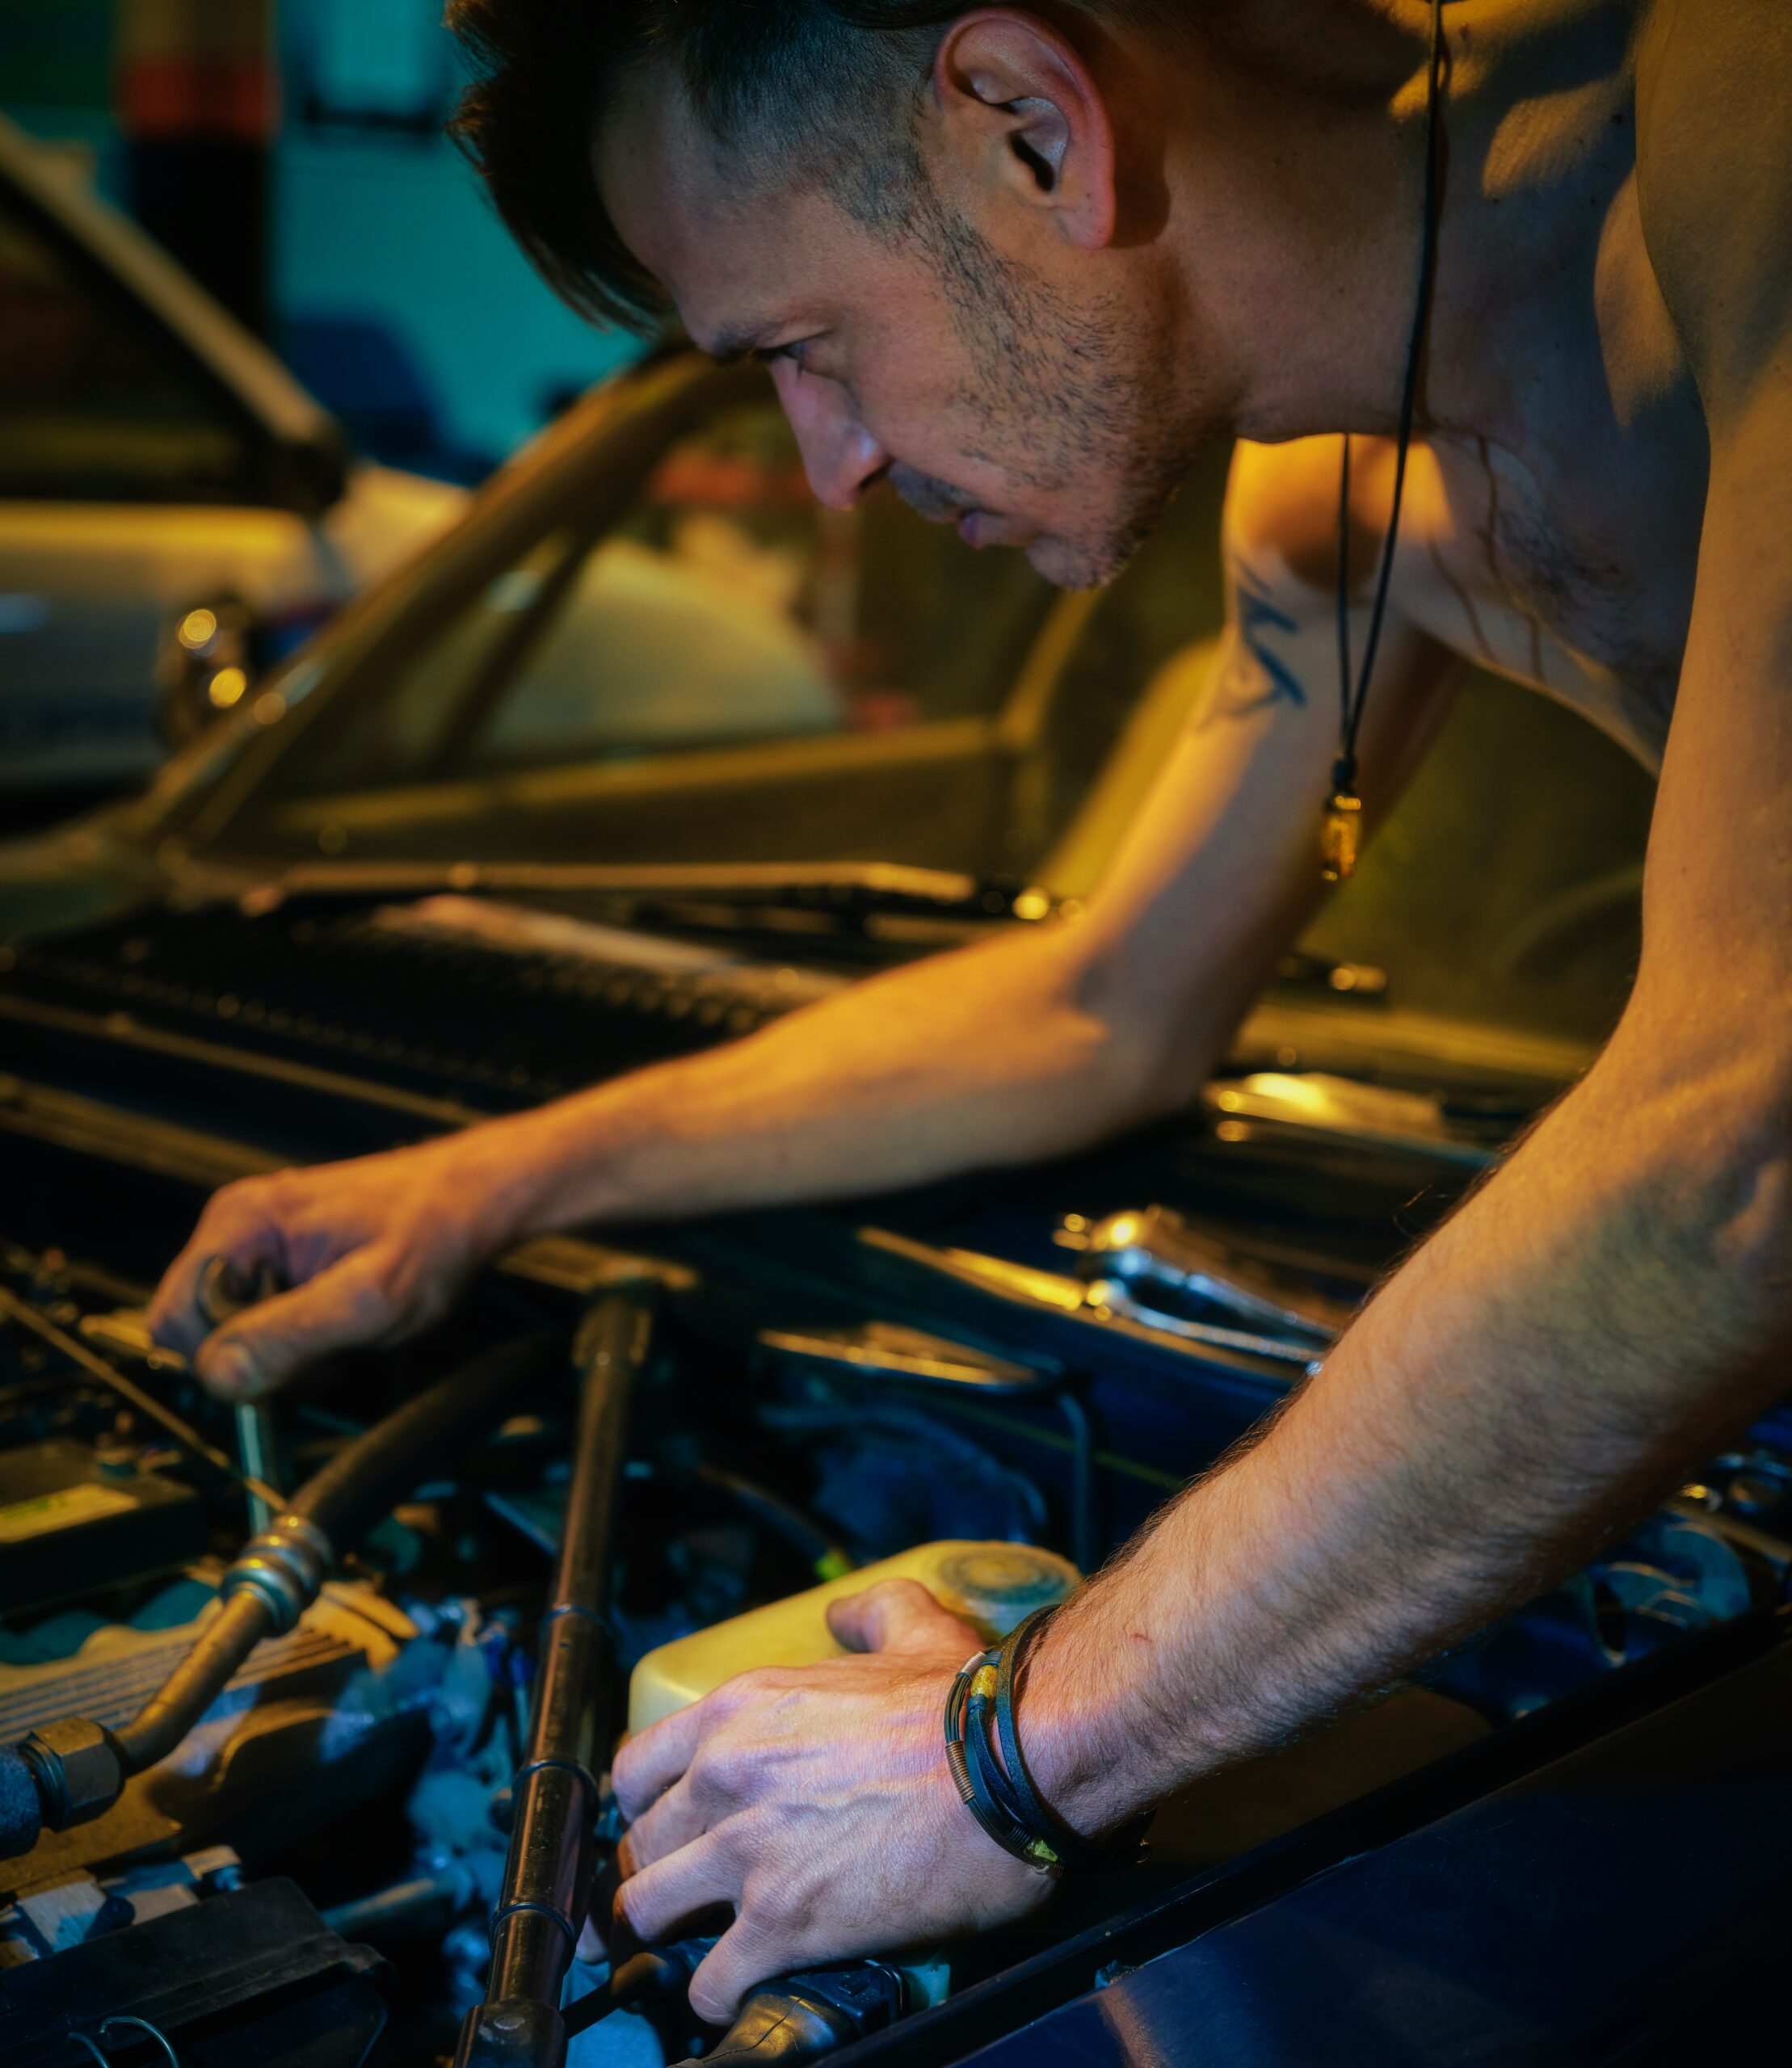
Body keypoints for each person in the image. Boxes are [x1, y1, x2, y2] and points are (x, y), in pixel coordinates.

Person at [148, 0, 1791, 2026]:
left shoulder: (1737, 126)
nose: (823, 474)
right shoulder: (1338, 519)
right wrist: (489, 1181)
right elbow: (1100, 1002)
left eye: (801, 351)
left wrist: (1004, 1751)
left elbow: (1740, 1127)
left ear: (1032, 126)